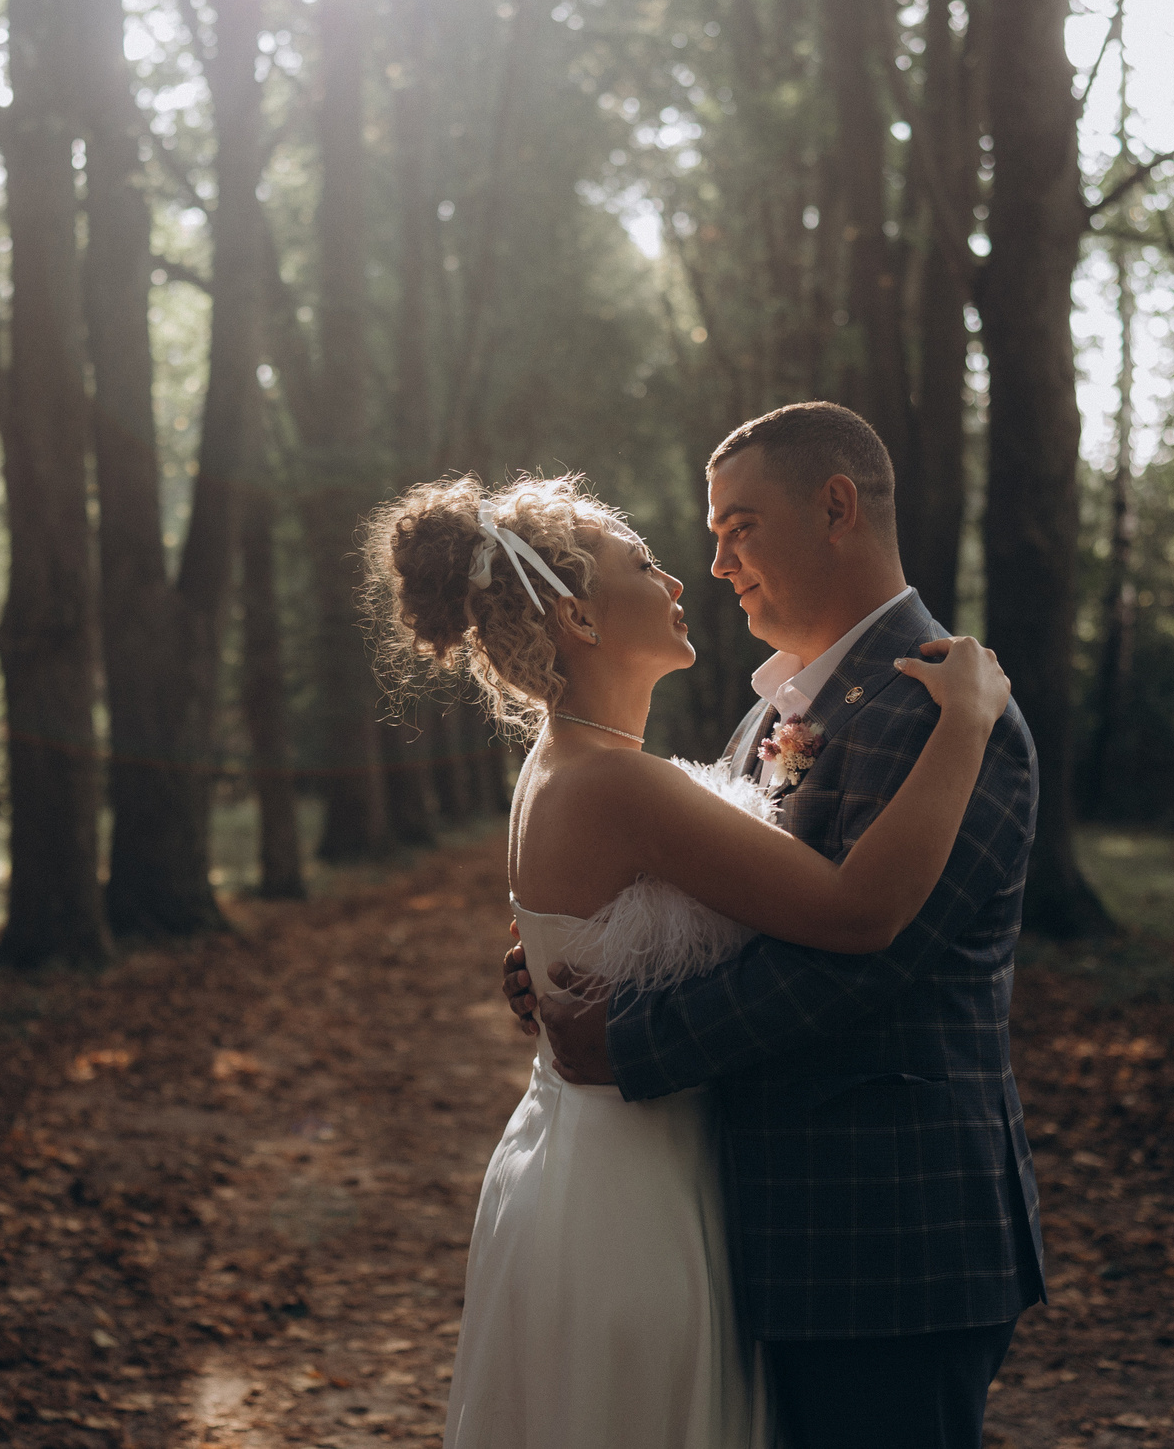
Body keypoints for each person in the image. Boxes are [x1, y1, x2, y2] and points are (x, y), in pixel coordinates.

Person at [363, 464, 1012, 1449]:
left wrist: (561, 968)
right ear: (578, 619)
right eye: (645, 561)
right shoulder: (617, 783)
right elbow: (854, 911)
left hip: (609, 1169)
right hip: (633, 1194)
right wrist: (969, 718)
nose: (680, 580)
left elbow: (632, 920)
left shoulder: (571, 765)